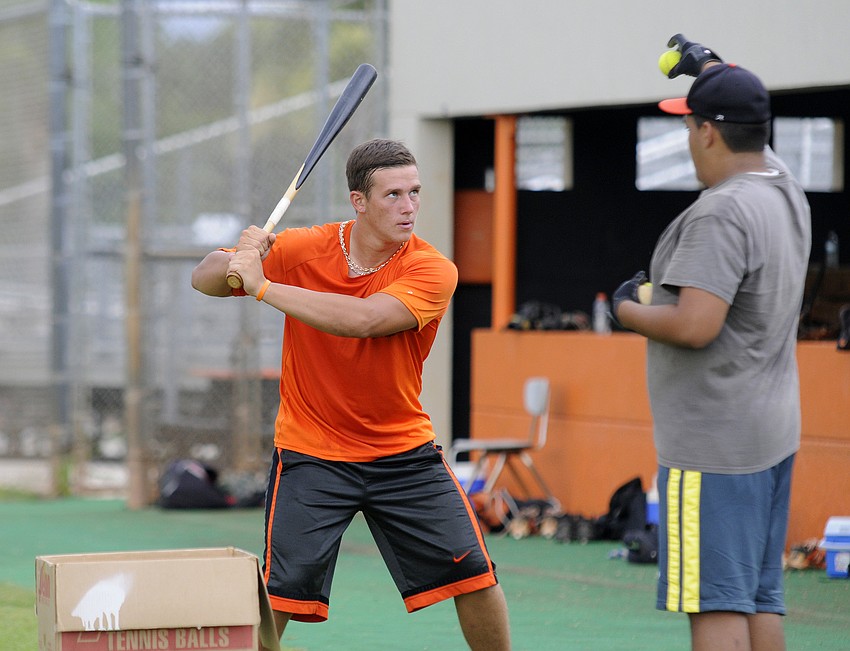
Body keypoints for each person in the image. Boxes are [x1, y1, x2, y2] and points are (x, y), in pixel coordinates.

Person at [191, 138, 511, 650]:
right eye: (392, 196)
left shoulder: (431, 269)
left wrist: (263, 287)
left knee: (472, 572)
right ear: (359, 201)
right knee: (280, 593)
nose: (408, 207)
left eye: (414, 193)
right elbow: (204, 277)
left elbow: (365, 322)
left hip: (403, 452)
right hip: (312, 453)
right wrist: (240, 255)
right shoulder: (304, 248)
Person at [611, 36, 812, 651]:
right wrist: (715, 73)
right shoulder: (783, 186)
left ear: (707, 134)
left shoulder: (721, 212)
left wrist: (626, 307)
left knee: (714, 605)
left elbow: (697, 325)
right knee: (758, 598)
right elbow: (751, 124)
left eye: (692, 123)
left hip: (714, 448)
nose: (689, 136)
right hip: (770, 433)